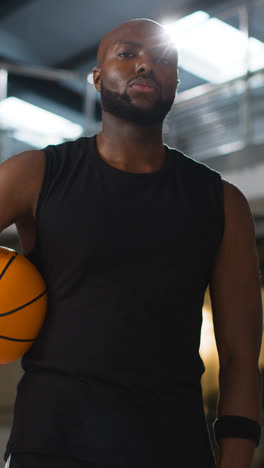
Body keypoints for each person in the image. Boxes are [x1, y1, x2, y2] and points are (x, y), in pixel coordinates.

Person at [1, 18, 262, 468]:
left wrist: (236, 455)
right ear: (98, 77)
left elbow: (241, 353)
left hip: (171, 447)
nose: (146, 65)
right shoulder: (36, 173)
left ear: (176, 81)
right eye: (128, 54)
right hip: (50, 444)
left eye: (163, 60)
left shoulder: (222, 202)